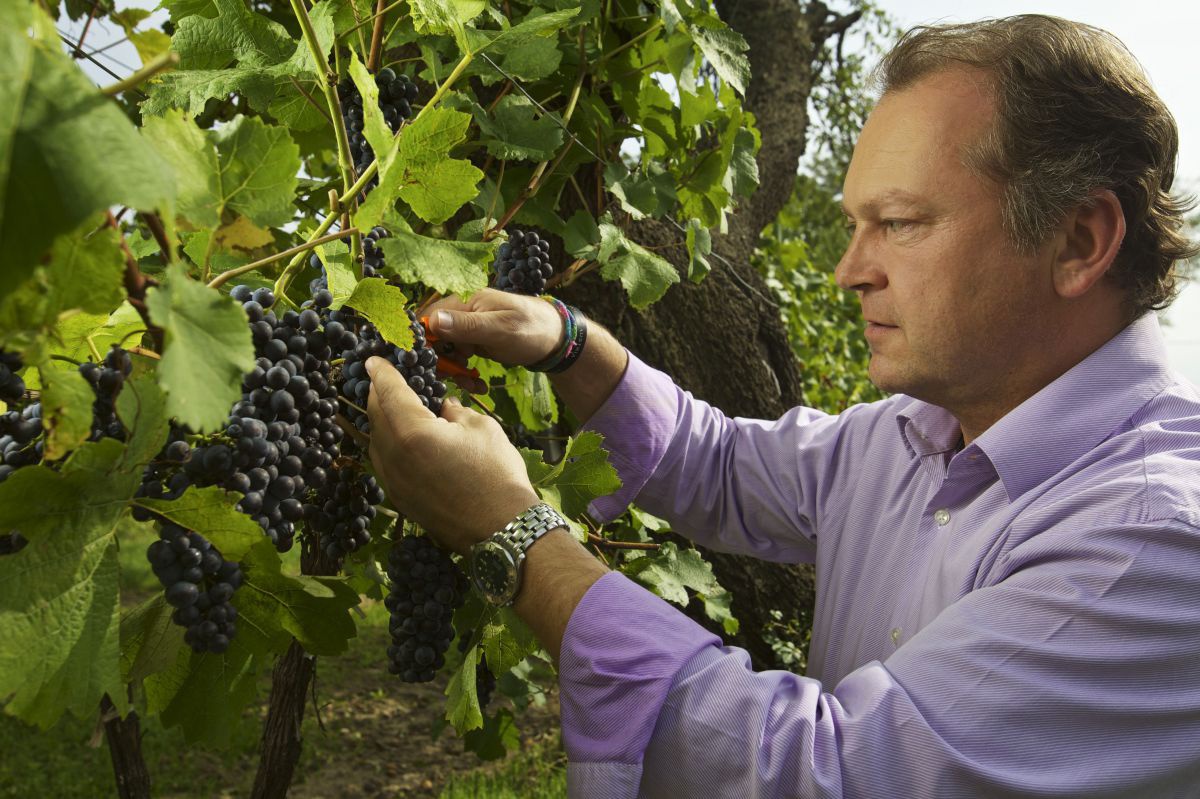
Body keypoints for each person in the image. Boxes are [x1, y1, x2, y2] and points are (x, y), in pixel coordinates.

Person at [364, 14, 1200, 798]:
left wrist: (511, 535)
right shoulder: (913, 433)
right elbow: (718, 462)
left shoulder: (1154, 540)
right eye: (852, 224)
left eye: (900, 222)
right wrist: (566, 339)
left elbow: (824, 772)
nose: (849, 269)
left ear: (1080, 240)